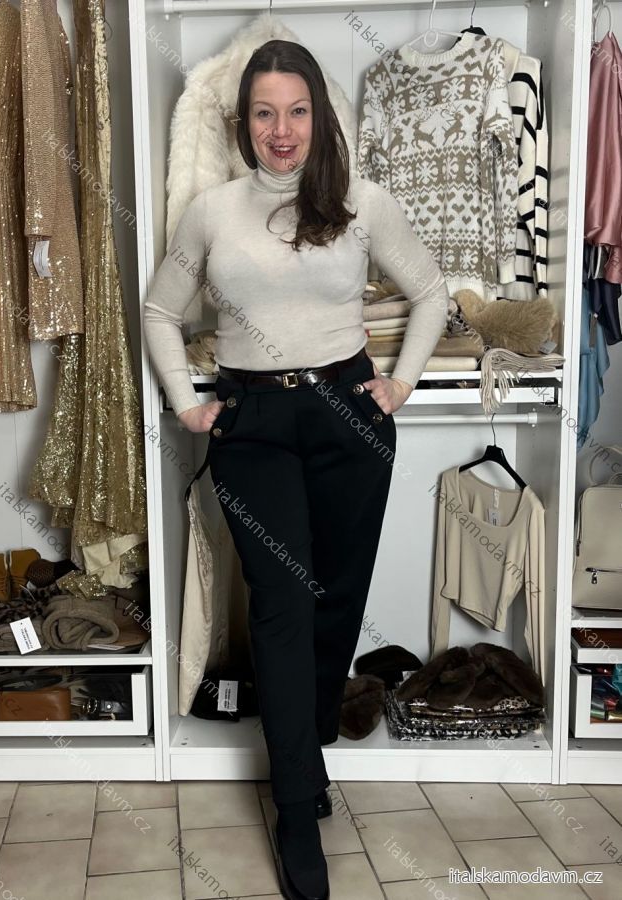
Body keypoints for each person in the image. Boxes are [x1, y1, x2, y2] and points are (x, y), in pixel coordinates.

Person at [144, 39, 449, 900]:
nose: (281, 131)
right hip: (254, 426)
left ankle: (307, 748)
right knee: (280, 603)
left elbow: (430, 293)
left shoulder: (360, 202)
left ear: (320, 115)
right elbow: (161, 310)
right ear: (242, 123)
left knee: (335, 599)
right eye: (264, 113)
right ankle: (293, 807)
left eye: (297, 111)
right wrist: (186, 403)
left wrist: (399, 383)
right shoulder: (211, 211)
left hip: (348, 415)